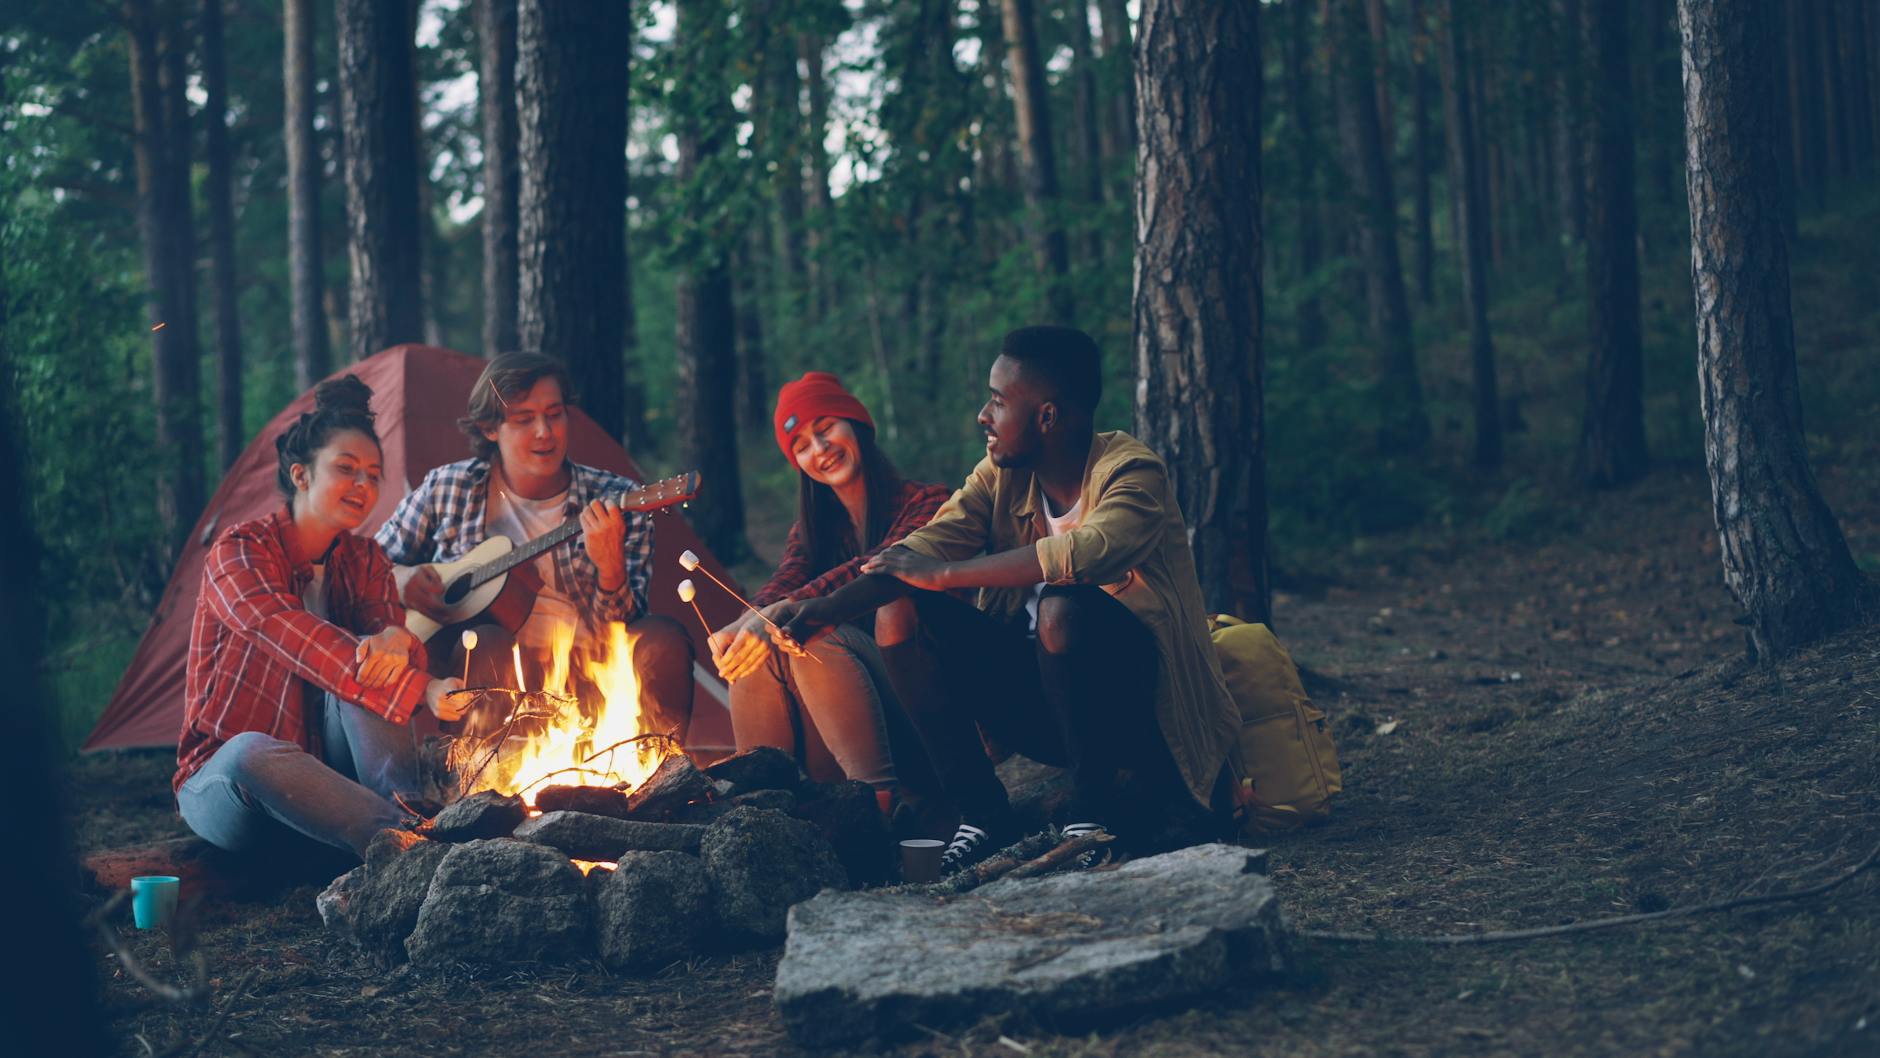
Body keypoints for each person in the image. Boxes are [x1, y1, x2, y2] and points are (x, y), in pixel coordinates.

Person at [779, 325, 1242, 872]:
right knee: (900, 607)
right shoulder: (999, 477)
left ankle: (1089, 814)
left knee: (1060, 609)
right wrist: (821, 611)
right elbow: (919, 551)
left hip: (1138, 713)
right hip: (1042, 710)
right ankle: (980, 812)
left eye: (998, 402)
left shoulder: (1132, 472)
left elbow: (1086, 552)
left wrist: (944, 574)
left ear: (1046, 417)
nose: (984, 416)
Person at [176, 377, 467, 860]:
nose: (363, 485)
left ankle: (405, 813)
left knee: (376, 665)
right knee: (250, 750)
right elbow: (291, 635)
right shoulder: (240, 551)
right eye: (346, 469)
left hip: (331, 785)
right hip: (229, 783)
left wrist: (396, 638)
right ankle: (413, 844)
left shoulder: (367, 560)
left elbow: (383, 658)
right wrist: (425, 687)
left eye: (373, 475)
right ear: (301, 475)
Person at [376, 351, 694, 742]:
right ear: (489, 428)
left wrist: (610, 568)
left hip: (590, 678)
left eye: (554, 414)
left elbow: (620, 631)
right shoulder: (448, 488)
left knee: (663, 639)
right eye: (524, 419)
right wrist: (402, 577)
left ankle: (663, 771)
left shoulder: (616, 499)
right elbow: (367, 565)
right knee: (485, 642)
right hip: (494, 676)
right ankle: (470, 775)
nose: (545, 432)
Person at [709, 373, 948, 810]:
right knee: (755, 649)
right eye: (802, 445)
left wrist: (781, 613)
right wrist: (747, 620)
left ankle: (880, 810)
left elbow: (873, 567)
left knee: (816, 632)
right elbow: (787, 578)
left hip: (930, 723)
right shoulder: (812, 531)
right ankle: (762, 811)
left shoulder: (929, 504)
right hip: (836, 733)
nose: (820, 449)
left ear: (857, 424)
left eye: (826, 429)